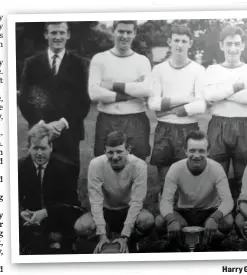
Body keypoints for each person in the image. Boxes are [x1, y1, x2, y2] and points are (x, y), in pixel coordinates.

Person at [19, 21, 91, 173]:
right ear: (46, 35)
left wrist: (62, 123)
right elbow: (25, 99)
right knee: (40, 180)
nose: (57, 37)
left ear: (68, 35)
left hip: (69, 131)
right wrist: (42, 124)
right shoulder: (31, 64)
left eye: (61, 32)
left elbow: (83, 101)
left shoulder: (80, 64)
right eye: (53, 33)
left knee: (68, 179)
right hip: (39, 132)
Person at [146, 24, 207, 193]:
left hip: (188, 128)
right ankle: (166, 208)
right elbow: (153, 104)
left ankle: (186, 208)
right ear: (169, 42)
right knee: (164, 177)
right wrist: (187, 99)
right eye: (176, 40)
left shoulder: (198, 70)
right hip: (164, 127)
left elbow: (201, 105)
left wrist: (179, 109)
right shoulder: (158, 69)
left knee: (188, 176)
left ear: (190, 43)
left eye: (184, 41)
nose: (179, 45)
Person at [74, 131, 154, 253]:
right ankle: (103, 241)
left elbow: (137, 202)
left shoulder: (139, 165)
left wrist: (124, 236)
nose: (115, 157)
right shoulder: (96, 164)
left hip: (128, 209)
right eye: (110, 152)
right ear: (105, 151)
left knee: (147, 220)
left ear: (128, 149)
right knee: (81, 226)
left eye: (119, 151)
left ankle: (131, 243)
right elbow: (95, 201)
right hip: (105, 210)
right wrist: (102, 234)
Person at [203, 25, 247, 200]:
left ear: (243, 45)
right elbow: (210, 95)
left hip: (243, 124)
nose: (233, 49)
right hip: (218, 124)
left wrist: (222, 93)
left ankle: (242, 210)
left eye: (237, 44)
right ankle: (220, 211)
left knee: (244, 174)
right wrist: (235, 87)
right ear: (221, 45)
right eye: (228, 44)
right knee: (217, 172)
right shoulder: (212, 70)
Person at [155, 131, 234, 251]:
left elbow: (228, 201)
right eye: (192, 151)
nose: (196, 155)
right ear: (185, 151)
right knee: (161, 221)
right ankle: (178, 244)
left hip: (209, 211)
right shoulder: (176, 168)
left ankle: (211, 243)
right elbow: (166, 200)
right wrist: (171, 219)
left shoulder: (216, 168)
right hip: (184, 211)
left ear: (208, 151)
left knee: (227, 221)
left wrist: (214, 218)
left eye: (201, 151)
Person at [88, 20, 152, 160]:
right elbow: (94, 93)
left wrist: (111, 85)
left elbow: (146, 90)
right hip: (107, 117)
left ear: (134, 34)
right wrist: (129, 93)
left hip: (135, 118)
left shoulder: (142, 61)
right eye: (121, 31)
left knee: (136, 162)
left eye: (129, 32)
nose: (125, 36)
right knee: (105, 163)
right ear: (113, 32)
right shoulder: (100, 59)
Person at [19, 123, 83, 254]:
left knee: (59, 244)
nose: (39, 153)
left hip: (56, 216)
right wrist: (21, 212)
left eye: (43, 148)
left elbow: (71, 205)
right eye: (35, 148)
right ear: (28, 148)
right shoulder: (19, 167)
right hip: (29, 218)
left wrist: (46, 213)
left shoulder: (66, 168)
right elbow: (12, 197)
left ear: (51, 147)